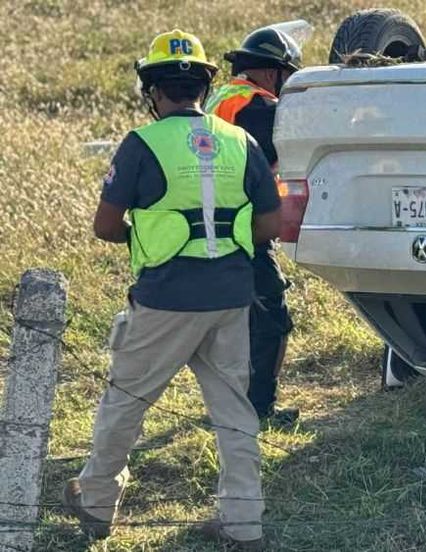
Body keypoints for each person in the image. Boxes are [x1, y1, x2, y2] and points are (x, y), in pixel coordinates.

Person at [61, 30, 280, 550]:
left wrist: (151, 239)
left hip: (165, 298)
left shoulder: (141, 143)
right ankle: (244, 521)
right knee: (234, 410)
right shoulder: (239, 141)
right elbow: (270, 224)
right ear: (203, 87)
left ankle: (95, 502)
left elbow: (105, 225)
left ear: (153, 91)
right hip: (230, 295)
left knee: (127, 400)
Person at [206, 26, 302, 426]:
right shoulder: (260, 108)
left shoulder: (222, 99)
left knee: (228, 324)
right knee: (272, 319)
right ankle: (258, 408)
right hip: (243, 229)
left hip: (210, 225)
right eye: (286, 74)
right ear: (269, 72)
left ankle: (226, 404)